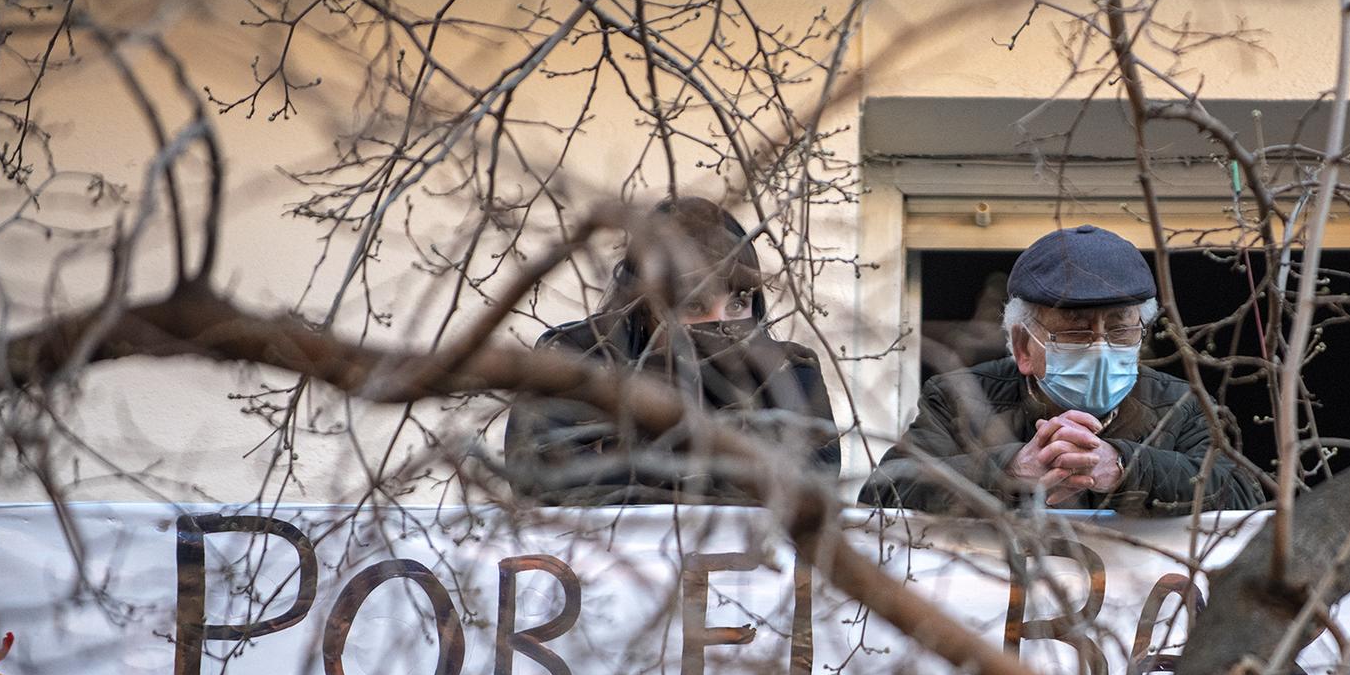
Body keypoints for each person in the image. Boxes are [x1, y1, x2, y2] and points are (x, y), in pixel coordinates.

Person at [860, 225, 1265, 516]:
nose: (1101, 347)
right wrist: (1012, 469)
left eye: (1121, 329)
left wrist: (1126, 467)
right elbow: (883, 493)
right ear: (1023, 347)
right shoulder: (960, 396)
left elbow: (1245, 499)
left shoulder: (1182, 404)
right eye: (1074, 332)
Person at [504, 197, 840, 505]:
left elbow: (812, 482)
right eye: (695, 305)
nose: (720, 324)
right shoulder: (575, 356)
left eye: (738, 303)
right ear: (642, 304)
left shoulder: (787, 372)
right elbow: (543, 475)